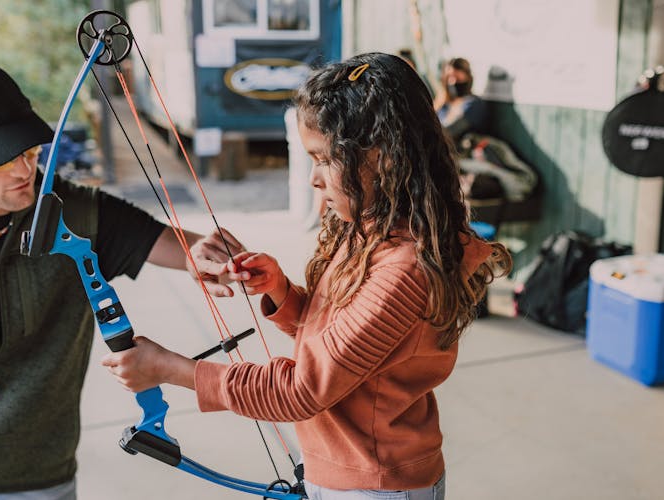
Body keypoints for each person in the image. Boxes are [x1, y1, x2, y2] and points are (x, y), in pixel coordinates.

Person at [102, 52, 513, 499]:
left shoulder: (406, 270)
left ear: (385, 157)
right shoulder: (368, 230)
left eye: (323, 160)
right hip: (344, 475)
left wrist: (170, 368)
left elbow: (301, 390)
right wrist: (280, 291)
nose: (313, 179)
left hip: (375, 486)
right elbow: (343, 342)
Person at [0, 59, 240, 499]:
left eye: (28, 150)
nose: (24, 170)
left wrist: (204, 255)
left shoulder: (76, 211)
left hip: (41, 477)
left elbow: (178, 247)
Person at [433, 57, 487, 143]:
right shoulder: (443, 104)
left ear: (468, 78)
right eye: (450, 77)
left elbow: (450, 131)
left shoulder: (473, 104)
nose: (453, 82)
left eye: (457, 78)